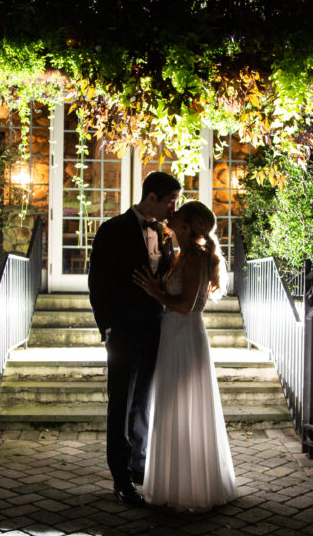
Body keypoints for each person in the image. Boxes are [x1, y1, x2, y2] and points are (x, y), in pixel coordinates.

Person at [132, 201, 238, 512]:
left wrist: (154, 292)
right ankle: (174, 481)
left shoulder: (194, 258)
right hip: (172, 335)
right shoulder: (179, 254)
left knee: (182, 407)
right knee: (169, 406)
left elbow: (184, 306)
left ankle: (191, 488)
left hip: (184, 336)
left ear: (187, 226)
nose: (171, 213)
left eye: (178, 213)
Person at [88, 171, 182, 507]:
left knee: (145, 401)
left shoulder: (163, 233)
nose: (175, 207)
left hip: (157, 328)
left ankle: (139, 464)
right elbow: (97, 281)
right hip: (124, 330)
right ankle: (120, 478)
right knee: (121, 402)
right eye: (171, 200)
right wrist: (108, 326)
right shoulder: (113, 230)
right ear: (153, 197)